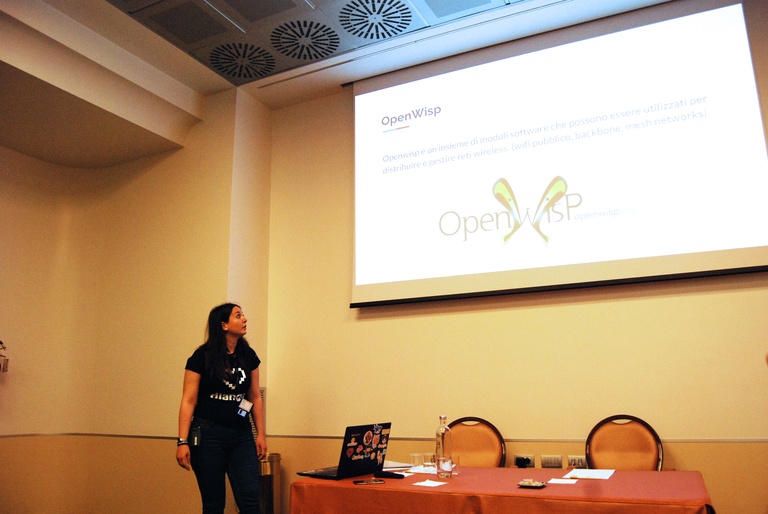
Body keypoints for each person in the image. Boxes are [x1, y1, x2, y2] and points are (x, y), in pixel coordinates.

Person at [176, 303, 267, 514]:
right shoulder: (202, 356)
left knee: (250, 501)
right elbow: (188, 400)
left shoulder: (248, 355)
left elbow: (253, 396)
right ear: (224, 325)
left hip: (242, 436)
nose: (245, 319)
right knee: (214, 503)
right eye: (238, 316)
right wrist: (182, 441)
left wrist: (260, 434)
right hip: (208, 435)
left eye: (243, 315)